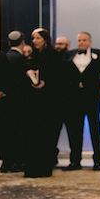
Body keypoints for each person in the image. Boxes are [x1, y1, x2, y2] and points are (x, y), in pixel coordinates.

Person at [65, 32, 100, 171]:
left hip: (92, 97)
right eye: (79, 40)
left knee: (94, 129)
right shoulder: (69, 54)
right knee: (75, 130)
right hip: (74, 97)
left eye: (84, 40)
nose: (81, 42)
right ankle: (75, 161)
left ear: (89, 42)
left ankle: (97, 160)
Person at [22, 28, 66, 177]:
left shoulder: (54, 56)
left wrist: (45, 83)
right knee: (34, 135)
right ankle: (32, 168)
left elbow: (60, 79)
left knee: (47, 135)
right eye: (33, 38)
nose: (34, 41)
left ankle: (45, 167)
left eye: (37, 38)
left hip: (50, 103)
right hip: (34, 102)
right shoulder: (33, 56)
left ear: (45, 40)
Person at [0, 31, 31, 173]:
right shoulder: (21, 59)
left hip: (6, 101)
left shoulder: (5, 57)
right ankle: (17, 162)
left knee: (6, 133)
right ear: (23, 42)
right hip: (20, 102)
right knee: (19, 132)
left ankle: (7, 162)